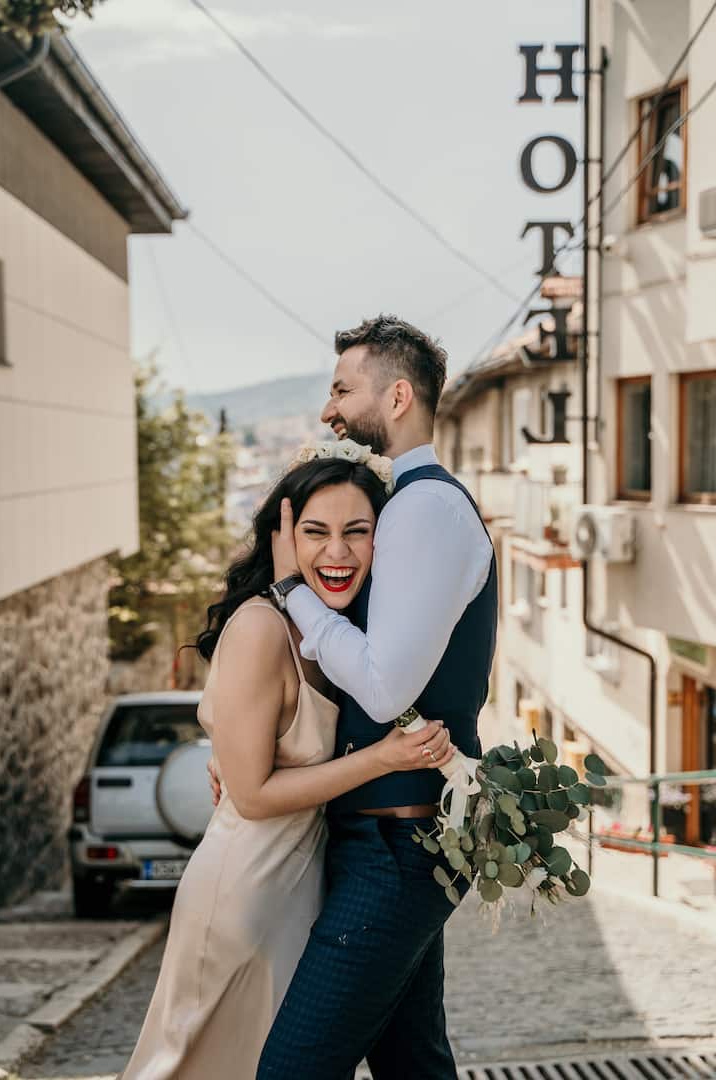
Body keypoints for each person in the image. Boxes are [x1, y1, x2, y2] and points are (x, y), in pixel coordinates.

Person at [119, 456, 454, 1080]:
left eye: (357, 531)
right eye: (315, 532)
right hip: (245, 889)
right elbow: (252, 795)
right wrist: (384, 758)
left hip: (302, 886)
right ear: (283, 540)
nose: (338, 552)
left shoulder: (337, 632)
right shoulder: (260, 628)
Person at [255, 313, 498, 1079]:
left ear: (397, 397)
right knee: (412, 1064)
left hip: (400, 845)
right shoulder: (407, 504)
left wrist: (293, 592)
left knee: (292, 1069)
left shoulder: (425, 508)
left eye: (341, 389)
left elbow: (387, 685)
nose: (328, 409)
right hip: (397, 837)